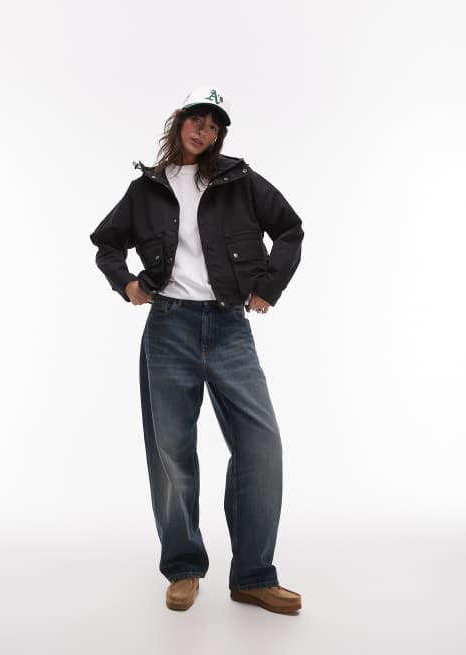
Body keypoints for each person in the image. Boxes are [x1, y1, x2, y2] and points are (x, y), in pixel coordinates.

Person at [89, 86, 304, 615]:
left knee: (261, 448)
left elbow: (290, 230)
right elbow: (106, 242)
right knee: (172, 454)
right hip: (168, 327)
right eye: (196, 120)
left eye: (213, 125)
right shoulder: (147, 188)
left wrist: (268, 287)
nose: (203, 131)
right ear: (179, 121)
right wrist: (126, 284)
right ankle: (183, 568)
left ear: (218, 135)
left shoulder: (240, 180)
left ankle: (253, 576)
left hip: (230, 327)